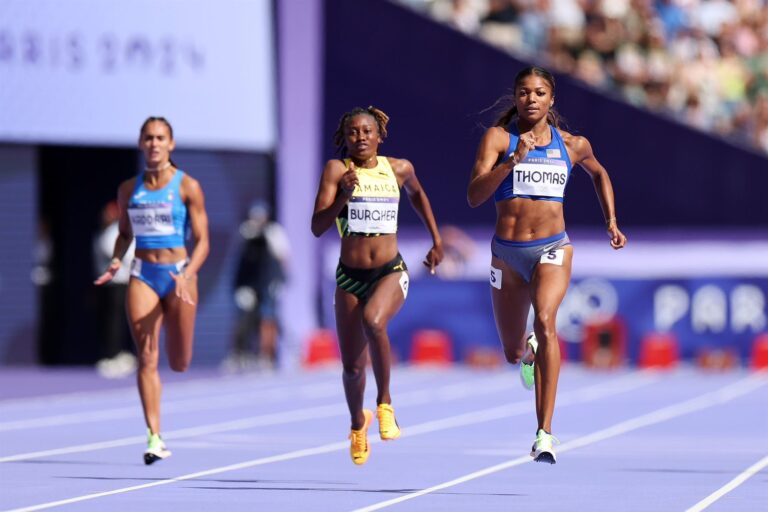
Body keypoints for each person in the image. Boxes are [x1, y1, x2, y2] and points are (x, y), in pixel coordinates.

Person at [467, 66, 627, 464]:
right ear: (516, 97)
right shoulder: (498, 139)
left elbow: (600, 173)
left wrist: (611, 220)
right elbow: (474, 196)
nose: (531, 99)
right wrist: (511, 162)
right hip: (506, 254)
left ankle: (545, 433)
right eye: (524, 92)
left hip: (552, 248)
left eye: (539, 92)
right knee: (511, 350)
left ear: (551, 99)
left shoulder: (572, 144)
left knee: (545, 320)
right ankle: (528, 351)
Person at [311, 106, 444, 465]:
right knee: (352, 368)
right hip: (349, 278)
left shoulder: (399, 168)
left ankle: (385, 404)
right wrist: (343, 195)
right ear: (345, 138)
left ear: (380, 136)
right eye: (353, 132)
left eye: (367, 131)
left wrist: (436, 239)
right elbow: (317, 226)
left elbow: (418, 195)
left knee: (374, 321)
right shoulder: (337, 171)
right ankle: (358, 424)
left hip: (389, 270)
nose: (361, 137)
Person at [94, 116, 210, 465]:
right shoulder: (129, 189)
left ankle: (159, 425)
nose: (154, 143)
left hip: (179, 275)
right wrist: (117, 260)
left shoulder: (188, 186)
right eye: (148, 138)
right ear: (141, 143)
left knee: (179, 361)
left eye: (160, 138)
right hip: (143, 274)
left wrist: (188, 273)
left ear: (170, 144)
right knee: (146, 357)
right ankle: (154, 437)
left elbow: (203, 241)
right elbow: (124, 234)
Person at [225, 200, 289, 372]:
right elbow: (240, 261)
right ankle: (239, 353)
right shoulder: (245, 232)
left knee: (268, 317)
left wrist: (280, 280)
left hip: (269, 281)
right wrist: (240, 285)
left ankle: (266, 355)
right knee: (245, 317)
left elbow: (283, 258)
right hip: (250, 283)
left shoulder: (274, 232)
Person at [93, 200, 137, 378]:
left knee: (117, 321)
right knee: (110, 321)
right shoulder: (106, 233)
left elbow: (127, 256)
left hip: (120, 283)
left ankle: (116, 354)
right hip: (111, 284)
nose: (106, 216)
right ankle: (111, 354)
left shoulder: (116, 233)